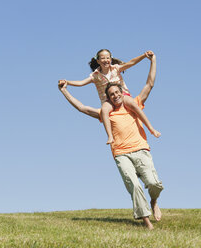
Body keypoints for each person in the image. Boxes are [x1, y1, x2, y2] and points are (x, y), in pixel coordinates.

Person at [58, 53, 163, 230]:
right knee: (134, 186)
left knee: (154, 184)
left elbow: (149, 84)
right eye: (111, 94)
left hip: (141, 149)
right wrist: (65, 90)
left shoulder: (134, 103)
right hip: (121, 153)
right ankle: (147, 223)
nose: (114, 96)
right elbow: (81, 107)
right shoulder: (105, 112)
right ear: (108, 97)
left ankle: (153, 201)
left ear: (122, 92)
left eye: (117, 93)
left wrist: (153, 61)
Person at [58, 49, 160, 145]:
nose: (106, 60)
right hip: (107, 100)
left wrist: (144, 56)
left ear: (111, 59)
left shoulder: (116, 68)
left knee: (133, 103)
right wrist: (67, 82)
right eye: (103, 58)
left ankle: (151, 128)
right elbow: (81, 83)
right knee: (104, 110)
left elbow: (131, 63)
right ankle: (110, 136)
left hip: (123, 95)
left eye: (108, 58)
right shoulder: (95, 76)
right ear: (98, 61)